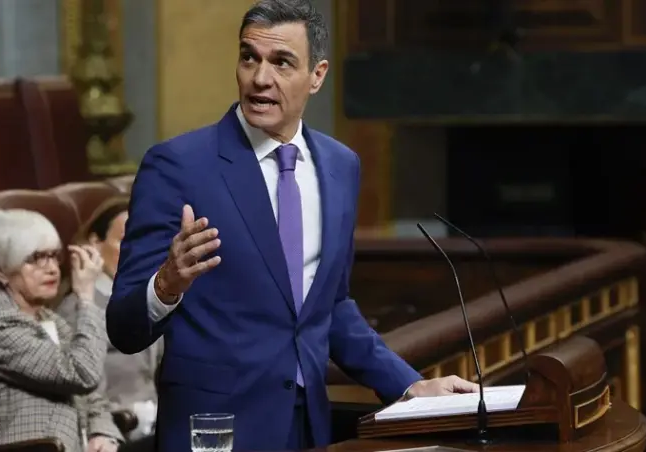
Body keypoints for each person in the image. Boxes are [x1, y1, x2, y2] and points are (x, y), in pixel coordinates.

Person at [106, 1, 478, 451]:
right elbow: (123, 328)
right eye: (249, 58)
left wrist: (407, 385)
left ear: (317, 76)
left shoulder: (340, 166)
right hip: (216, 431)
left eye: (281, 62)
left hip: (307, 428)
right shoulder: (177, 166)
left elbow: (329, 308)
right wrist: (166, 285)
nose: (260, 78)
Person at [0, 209, 123, 452]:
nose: (52, 269)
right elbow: (83, 374)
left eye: (53, 256)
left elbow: (93, 390)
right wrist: (86, 298)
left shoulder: (47, 317)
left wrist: (102, 432)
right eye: (35, 258)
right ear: (1, 270)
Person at [58, 197, 162, 444]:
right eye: (125, 241)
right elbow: (79, 391)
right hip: (114, 435)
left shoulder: (149, 298)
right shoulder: (78, 309)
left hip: (156, 426)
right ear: (95, 243)